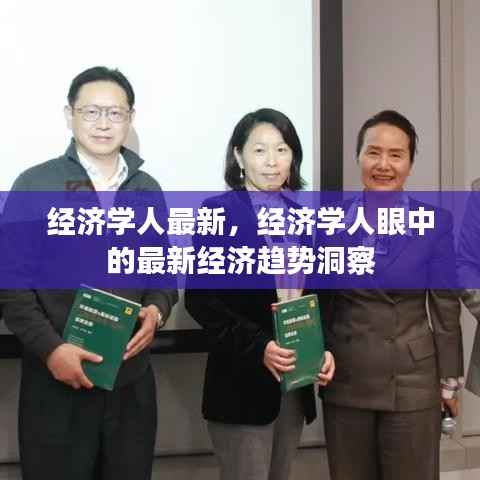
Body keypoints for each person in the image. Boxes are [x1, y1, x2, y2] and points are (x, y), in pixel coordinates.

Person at [1, 66, 178, 480]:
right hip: (57, 382)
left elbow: (163, 272)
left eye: (115, 113)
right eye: (91, 111)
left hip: (130, 382)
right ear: (70, 115)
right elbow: (11, 285)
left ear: (130, 118)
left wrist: (157, 310)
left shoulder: (147, 188)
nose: (103, 123)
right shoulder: (35, 184)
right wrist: (52, 351)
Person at [184, 108, 335, 480]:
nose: (272, 161)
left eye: (282, 150)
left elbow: (316, 297)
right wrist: (260, 347)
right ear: (239, 156)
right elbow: (201, 300)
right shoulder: (217, 212)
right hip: (242, 385)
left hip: (295, 383)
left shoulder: (303, 217)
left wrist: (324, 348)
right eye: (259, 150)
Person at [321, 110, 463, 480]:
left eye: (396, 155)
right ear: (358, 157)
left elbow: (445, 309)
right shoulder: (329, 221)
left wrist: (449, 382)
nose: (383, 165)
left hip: (413, 381)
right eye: (373, 152)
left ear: (410, 163)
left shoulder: (435, 222)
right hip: (346, 376)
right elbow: (320, 301)